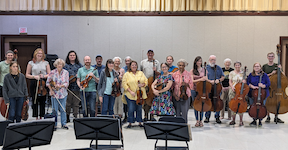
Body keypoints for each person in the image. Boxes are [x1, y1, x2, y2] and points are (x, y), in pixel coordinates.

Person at [26, 48, 51, 119]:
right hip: (34, 81)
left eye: (41, 53)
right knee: (35, 99)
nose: (39, 55)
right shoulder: (30, 63)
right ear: (35, 54)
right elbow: (27, 74)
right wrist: (34, 76)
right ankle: (35, 116)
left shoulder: (46, 63)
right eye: (38, 53)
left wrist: (44, 76)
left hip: (43, 82)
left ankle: (42, 116)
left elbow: (49, 74)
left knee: (43, 100)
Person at [122, 60, 147, 128]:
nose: (134, 66)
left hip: (140, 95)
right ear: (130, 66)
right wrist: (131, 91)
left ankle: (139, 122)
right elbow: (124, 84)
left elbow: (146, 81)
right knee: (131, 109)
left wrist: (142, 84)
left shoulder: (141, 73)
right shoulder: (127, 74)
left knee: (139, 108)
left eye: (135, 65)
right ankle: (130, 123)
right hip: (130, 94)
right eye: (132, 65)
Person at [46, 58, 69, 130]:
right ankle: (55, 125)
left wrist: (60, 86)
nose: (59, 65)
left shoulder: (66, 72)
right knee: (54, 110)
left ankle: (64, 124)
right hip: (54, 94)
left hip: (63, 93)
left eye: (61, 64)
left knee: (63, 109)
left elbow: (66, 83)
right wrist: (51, 90)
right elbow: (48, 82)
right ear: (56, 65)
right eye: (58, 64)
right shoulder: (52, 72)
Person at [262, 52, 284, 123]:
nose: (270, 57)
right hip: (268, 86)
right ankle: (268, 116)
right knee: (268, 102)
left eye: (272, 56)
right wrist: (271, 73)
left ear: (274, 57)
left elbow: (283, 75)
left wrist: (280, 69)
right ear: (267, 57)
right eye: (269, 56)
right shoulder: (265, 66)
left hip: (276, 87)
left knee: (276, 102)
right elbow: (262, 77)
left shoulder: (277, 65)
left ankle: (276, 117)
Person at [247, 62, 270, 127]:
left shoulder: (264, 75)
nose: (257, 67)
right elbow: (247, 82)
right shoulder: (251, 75)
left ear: (260, 67)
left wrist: (263, 85)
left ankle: (260, 120)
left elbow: (268, 83)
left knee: (261, 106)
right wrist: (252, 86)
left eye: (258, 66)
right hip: (252, 94)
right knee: (253, 106)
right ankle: (254, 119)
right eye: (255, 66)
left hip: (263, 94)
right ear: (253, 68)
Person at [140, 49, 161, 121]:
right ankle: (145, 115)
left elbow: (159, 73)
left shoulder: (156, 62)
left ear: (153, 54)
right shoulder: (143, 62)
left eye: (151, 54)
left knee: (153, 99)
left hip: (154, 83)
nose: (150, 55)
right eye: (149, 53)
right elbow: (141, 73)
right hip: (145, 84)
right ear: (147, 54)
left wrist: (156, 71)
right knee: (145, 99)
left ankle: (152, 115)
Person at [204, 55, 224, 124]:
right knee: (208, 101)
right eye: (212, 60)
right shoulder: (206, 68)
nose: (213, 61)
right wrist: (210, 81)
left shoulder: (218, 68)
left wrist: (218, 80)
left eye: (214, 60)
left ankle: (217, 117)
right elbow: (204, 77)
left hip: (217, 87)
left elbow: (223, 77)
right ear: (209, 60)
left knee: (217, 101)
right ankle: (207, 117)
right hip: (209, 87)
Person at [63, 50, 83, 122]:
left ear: (75, 56)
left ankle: (75, 116)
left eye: (73, 55)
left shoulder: (79, 65)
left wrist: (79, 76)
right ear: (68, 57)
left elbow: (82, 73)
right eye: (71, 55)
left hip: (77, 87)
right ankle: (67, 116)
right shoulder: (65, 66)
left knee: (76, 103)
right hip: (68, 88)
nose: (72, 56)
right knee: (68, 103)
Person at [190, 56, 207, 127]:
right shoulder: (192, 70)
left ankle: (201, 120)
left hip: (202, 90)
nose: (199, 62)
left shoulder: (205, 70)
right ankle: (197, 120)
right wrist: (200, 79)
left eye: (200, 61)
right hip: (194, 89)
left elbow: (206, 80)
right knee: (196, 105)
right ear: (195, 62)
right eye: (198, 61)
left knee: (202, 105)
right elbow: (191, 81)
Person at [227, 61, 246, 126]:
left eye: (238, 65)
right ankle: (233, 120)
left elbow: (245, 82)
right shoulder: (231, 73)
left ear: (240, 66)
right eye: (236, 65)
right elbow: (230, 81)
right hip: (233, 90)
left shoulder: (243, 73)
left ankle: (241, 120)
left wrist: (244, 81)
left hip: (241, 91)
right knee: (233, 105)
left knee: (241, 104)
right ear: (234, 66)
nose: (237, 66)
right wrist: (232, 87)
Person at [120, 56, 132, 123]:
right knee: (125, 103)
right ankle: (126, 116)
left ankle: (131, 117)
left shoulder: (133, 68)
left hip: (132, 88)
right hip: (125, 88)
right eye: (126, 61)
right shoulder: (123, 69)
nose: (127, 62)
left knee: (132, 104)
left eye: (128, 61)